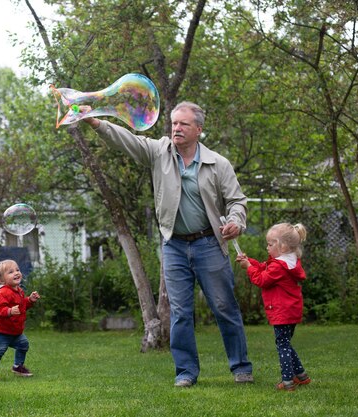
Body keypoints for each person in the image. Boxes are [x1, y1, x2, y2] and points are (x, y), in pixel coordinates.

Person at [82, 101, 253, 387]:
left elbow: (237, 200)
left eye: (184, 124)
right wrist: (95, 122)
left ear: (198, 129)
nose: (176, 128)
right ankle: (186, 372)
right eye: (174, 123)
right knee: (181, 313)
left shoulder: (217, 163)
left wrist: (236, 221)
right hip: (173, 246)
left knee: (225, 308)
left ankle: (241, 368)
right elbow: (127, 141)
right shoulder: (159, 152)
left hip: (209, 244)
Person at [236, 223, 311, 391]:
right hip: (290, 310)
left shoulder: (279, 266)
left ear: (282, 246)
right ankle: (301, 376)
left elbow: (262, 279)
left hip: (282, 311)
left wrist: (248, 268)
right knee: (285, 342)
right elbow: (264, 267)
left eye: (270, 244)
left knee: (282, 345)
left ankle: (287, 381)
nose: (267, 247)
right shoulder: (287, 261)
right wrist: (250, 262)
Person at [0, 259, 40, 382]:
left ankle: (17, 366)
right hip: (0, 330)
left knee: (23, 344)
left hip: (14, 330)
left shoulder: (18, 291)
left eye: (17, 270)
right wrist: (9, 311)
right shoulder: (1, 293)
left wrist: (30, 300)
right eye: (10, 272)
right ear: (1, 280)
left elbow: (21, 305)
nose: (16, 273)